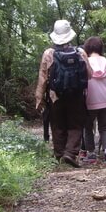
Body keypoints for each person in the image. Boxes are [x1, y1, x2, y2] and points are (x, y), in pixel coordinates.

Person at [35, 20, 91, 167]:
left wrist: (39, 98)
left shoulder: (49, 53)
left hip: (55, 96)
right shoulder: (80, 53)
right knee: (76, 125)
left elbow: (43, 78)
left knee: (57, 125)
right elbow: (89, 74)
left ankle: (59, 156)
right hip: (77, 95)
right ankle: (70, 153)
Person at [83, 36, 106, 164]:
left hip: (89, 101)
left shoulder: (85, 62)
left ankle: (91, 154)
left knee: (88, 127)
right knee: (104, 128)